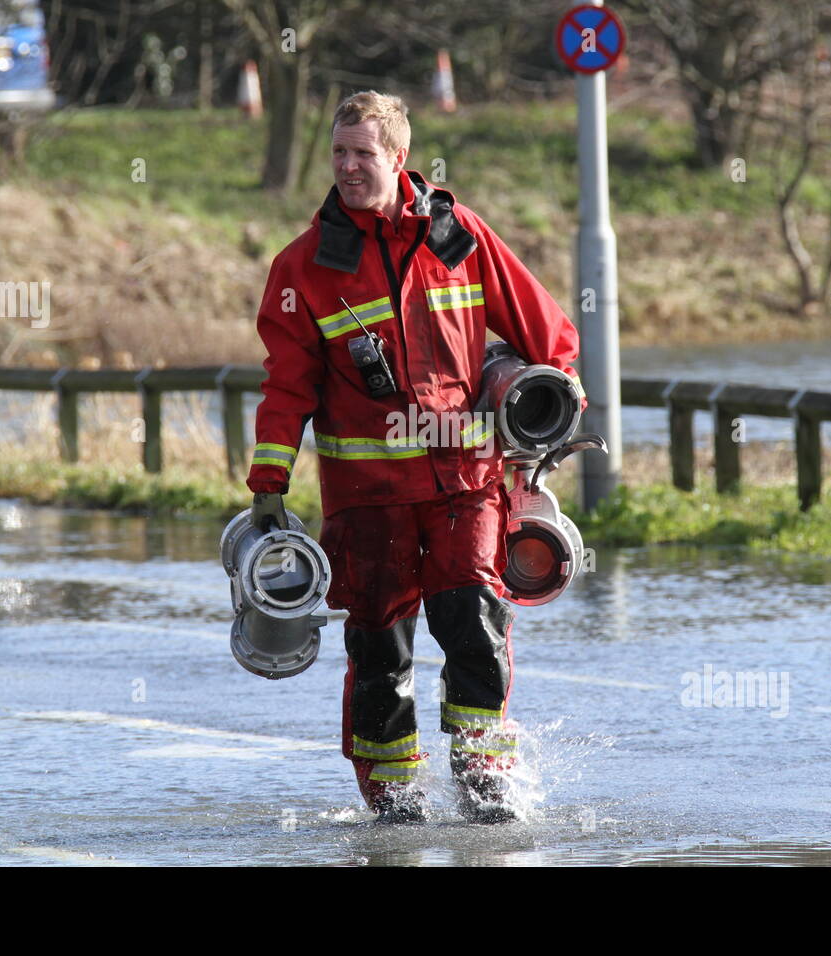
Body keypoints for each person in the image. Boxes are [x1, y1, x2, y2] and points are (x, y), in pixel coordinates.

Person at [246, 90, 583, 823]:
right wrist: (269, 483)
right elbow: (285, 386)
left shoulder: (457, 237)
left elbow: (547, 330)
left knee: (474, 623)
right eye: (338, 153)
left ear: (399, 159)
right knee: (379, 657)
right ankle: (394, 805)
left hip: (465, 487)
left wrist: (557, 403)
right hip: (367, 501)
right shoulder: (305, 267)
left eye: (362, 154)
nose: (347, 167)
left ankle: (487, 787)